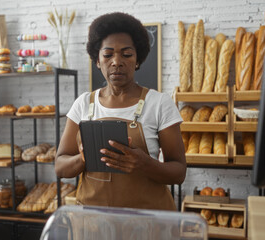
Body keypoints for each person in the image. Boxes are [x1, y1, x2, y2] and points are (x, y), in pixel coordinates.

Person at [55, 12, 186, 210]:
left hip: (148, 222)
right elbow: (60, 167)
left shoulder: (159, 103)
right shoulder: (83, 104)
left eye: (126, 54)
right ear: (97, 61)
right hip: (96, 222)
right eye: (108, 55)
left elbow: (178, 172)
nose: (116, 62)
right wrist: (83, 158)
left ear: (138, 60)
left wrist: (144, 164)